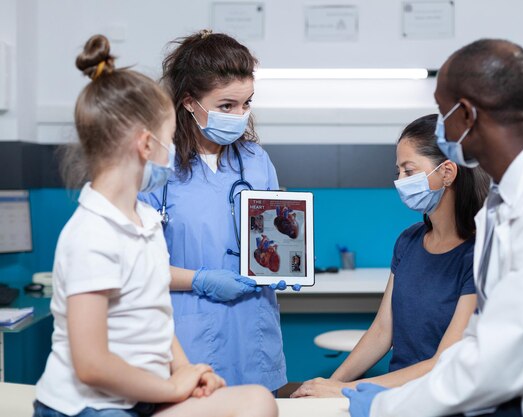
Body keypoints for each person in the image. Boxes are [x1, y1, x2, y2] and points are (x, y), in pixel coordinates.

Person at [343, 39, 523, 417]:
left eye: (443, 115)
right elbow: (480, 338)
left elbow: (499, 360)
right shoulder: (503, 203)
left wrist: (385, 406)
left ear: (466, 116)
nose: (441, 129)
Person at [33, 35, 277, 417]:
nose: (173, 150)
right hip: (95, 404)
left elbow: (154, 315)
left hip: (151, 386)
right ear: (147, 145)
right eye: (168, 140)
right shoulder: (91, 235)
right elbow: (91, 364)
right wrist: (172, 382)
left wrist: (184, 370)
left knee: (260, 402)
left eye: (246, 104)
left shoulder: (143, 220)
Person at [292, 114, 489, 398]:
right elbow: (383, 330)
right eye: (398, 171)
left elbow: (444, 362)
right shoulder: (409, 241)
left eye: (409, 171)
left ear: (447, 173)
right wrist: (329, 386)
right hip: (394, 399)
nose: (400, 181)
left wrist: (347, 390)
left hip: (443, 400)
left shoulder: (478, 253)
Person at [139, 30, 293, 394]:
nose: (240, 115)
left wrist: (291, 259)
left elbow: (273, 235)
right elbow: (136, 266)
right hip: (186, 338)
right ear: (190, 102)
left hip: (254, 332)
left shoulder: (256, 162)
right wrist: (200, 279)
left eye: (246, 104)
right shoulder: (156, 167)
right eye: (226, 106)